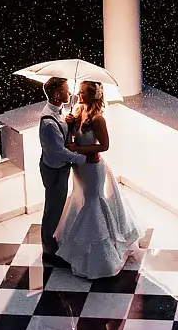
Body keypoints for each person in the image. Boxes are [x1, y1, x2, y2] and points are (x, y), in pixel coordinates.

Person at [55, 80, 142, 278]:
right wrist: (68, 125)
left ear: (94, 95)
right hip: (78, 167)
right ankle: (76, 246)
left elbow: (104, 146)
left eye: (83, 92)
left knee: (93, 203)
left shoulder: (97, 118)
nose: (79, 94)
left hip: (92, 168)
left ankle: (99, 257)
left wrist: (79, 149)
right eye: (79, 91)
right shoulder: (77, 110)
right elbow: (70, 141)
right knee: (79, 199)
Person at [38, 76, 89, 269]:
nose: (71, 93)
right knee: (53, 208)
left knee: (56, 206)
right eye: (67, 89)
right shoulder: (49, 124)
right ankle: (48, 251)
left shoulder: (58, 111)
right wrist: (81, 159)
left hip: (57, 167)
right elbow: (59, 152)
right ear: (57, 94)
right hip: (55, 170)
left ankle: (51, 243)